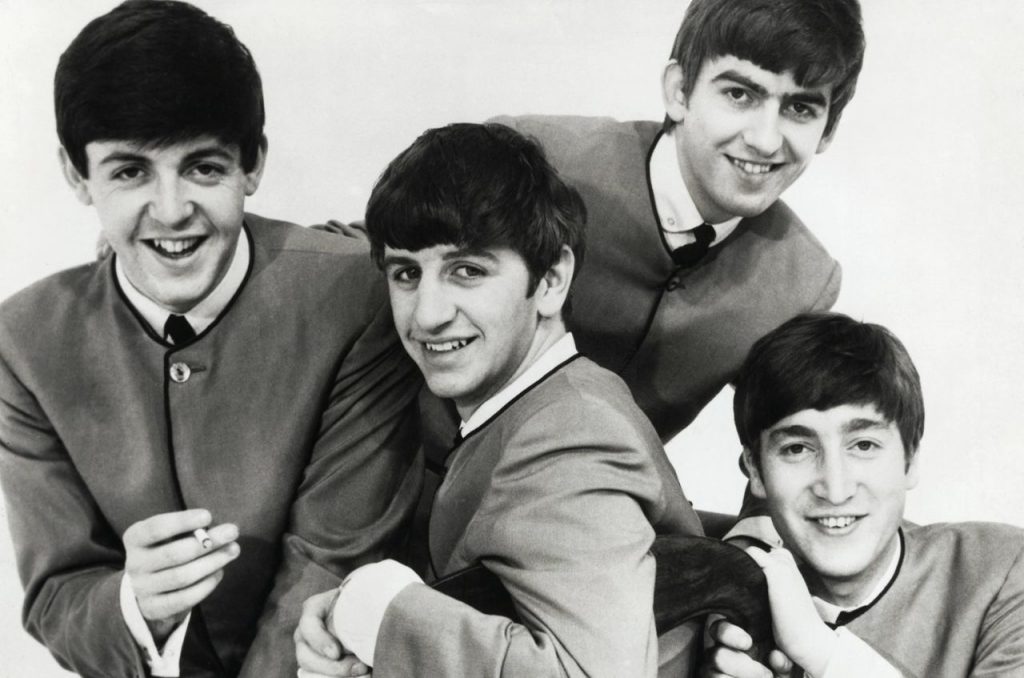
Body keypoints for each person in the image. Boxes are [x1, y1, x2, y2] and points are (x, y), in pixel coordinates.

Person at [0, 2, 421, 676]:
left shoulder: (355, 299)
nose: (171, 211)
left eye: (202, 167)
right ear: (77, 176)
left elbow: (332, 562)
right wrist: (135, 606)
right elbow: (57, 596)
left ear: (253, 164)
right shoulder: (23, 343)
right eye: (130, 171)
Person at [295, 122, 703, 678]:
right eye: (407, 273)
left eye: (467, 271)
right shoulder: (546, 406)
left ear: (552, 280)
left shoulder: (571, 439)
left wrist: (381, 611)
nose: (427, 314)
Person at [486, 0, 865, 533]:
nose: (765, 139)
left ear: (828, 130)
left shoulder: (803, 280)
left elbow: (788, 446)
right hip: (415, 491)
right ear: (679, 91)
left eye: (800, 108)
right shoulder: (534, 158)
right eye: (740, 94)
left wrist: (757, 540)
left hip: (595, 526)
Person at [702, 313, 1024, 677]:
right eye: (797, 449)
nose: (835, 490)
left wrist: (821, 652)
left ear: (910, 459)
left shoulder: (1005, 570)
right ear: (756, 471)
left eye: (864, 445)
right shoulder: (729, 613)